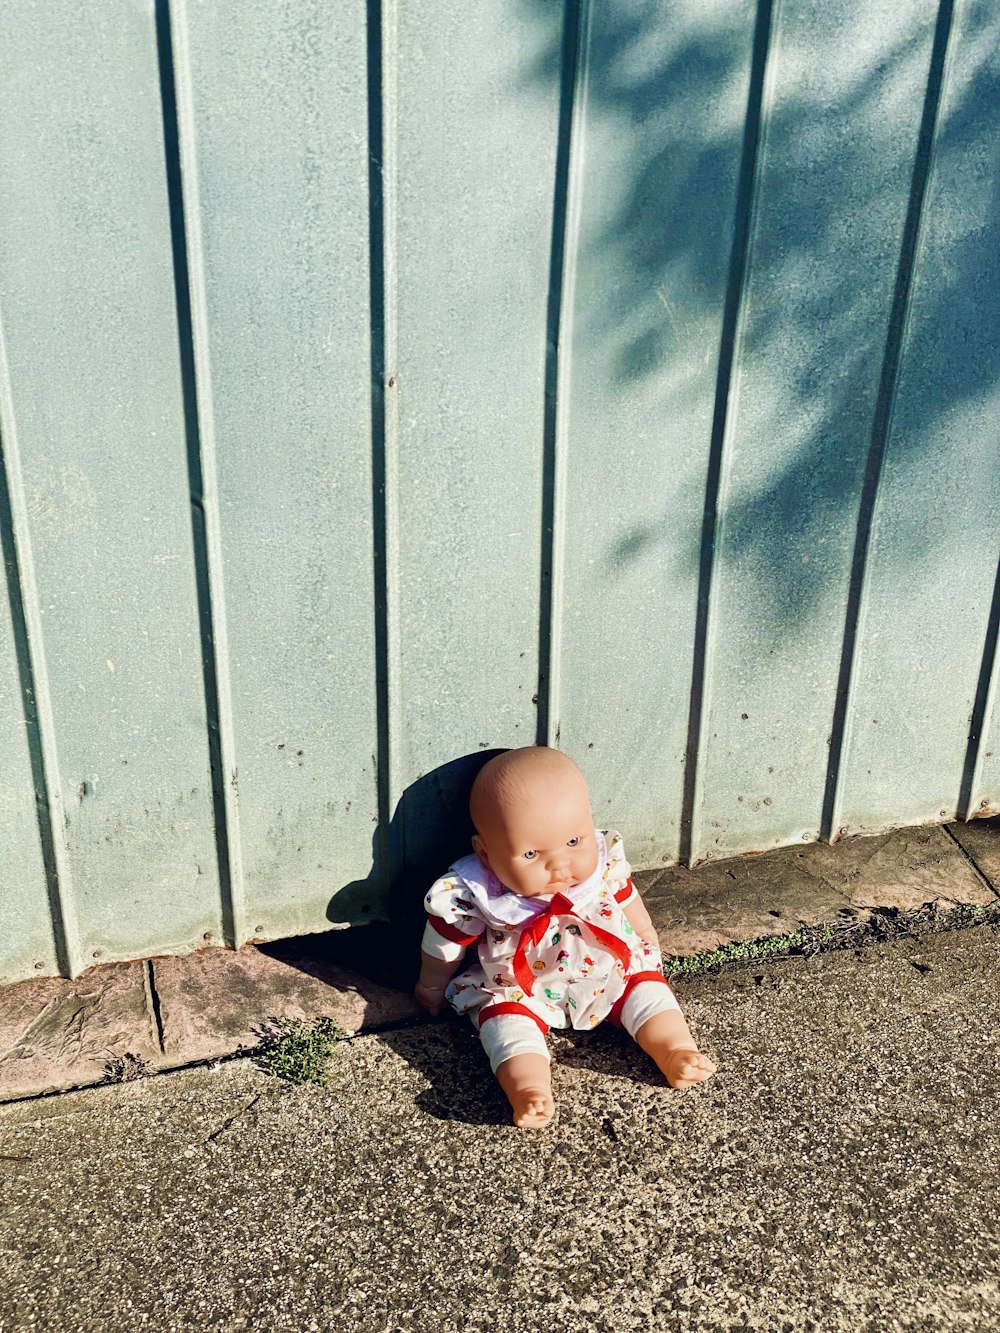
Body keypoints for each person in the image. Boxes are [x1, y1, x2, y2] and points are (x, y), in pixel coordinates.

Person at [414, 745, 716, 1127]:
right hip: (518, 987)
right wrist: (431, 984)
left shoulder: (603, 864)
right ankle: (528, 1089)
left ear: (588, 825)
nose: (559, 863)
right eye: (530, 854)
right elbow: (444, 942)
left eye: (574, 842)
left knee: (646, 990)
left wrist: (645, 934)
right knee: (505, 1026)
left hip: (608, 967)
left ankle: (675, 1050)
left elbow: (627, 899)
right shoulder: (475, 894)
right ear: (486, 854)